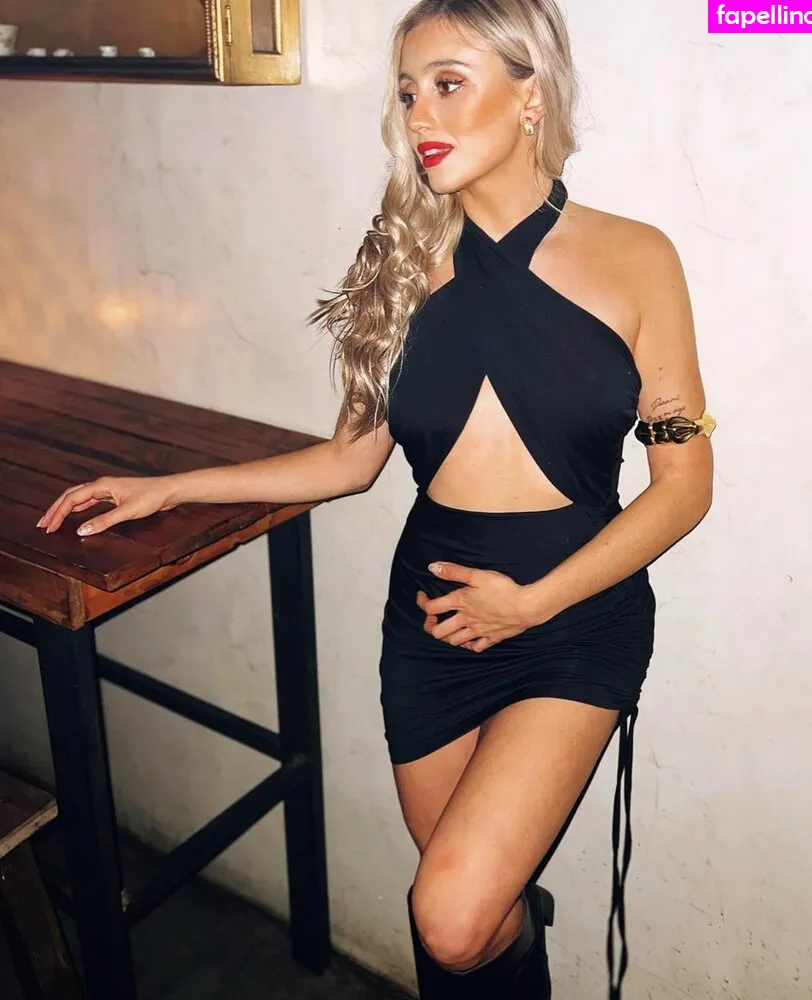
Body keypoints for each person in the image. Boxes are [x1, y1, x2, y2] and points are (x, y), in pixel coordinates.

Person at [36, 1, 715, 996]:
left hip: (572, 612)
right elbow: (348, 462)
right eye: (405, 93)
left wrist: (530, 603)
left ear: (529, 93)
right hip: (432, 617)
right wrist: (170, 486)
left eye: (447, 84)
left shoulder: (637, 257)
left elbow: (684, 484)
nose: (418, 116)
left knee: (449, 913)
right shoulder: (396, 263)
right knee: (464, 924)